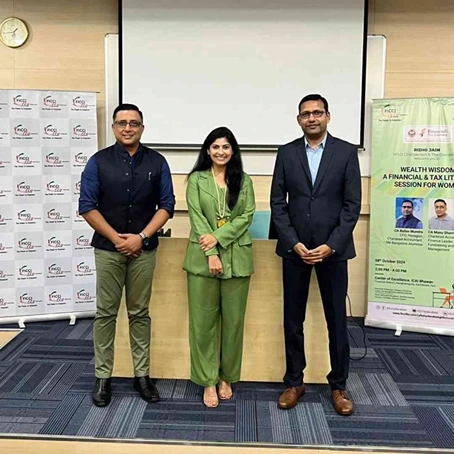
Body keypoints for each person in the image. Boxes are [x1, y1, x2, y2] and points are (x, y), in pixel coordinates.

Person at [270, 94, 361, 416]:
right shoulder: (286, 153)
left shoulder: (346, 152)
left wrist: (332, 244)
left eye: (317, 113)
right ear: (299, 119)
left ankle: (339, 385)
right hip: (295, 250)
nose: (312, 118)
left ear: (328, 116)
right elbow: (278, 203)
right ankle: (294, 382)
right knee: (293, 320)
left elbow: (352, 205)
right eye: (306, 114)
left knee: (336, 320)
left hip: (332, 251)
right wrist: (293, 242)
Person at [79, 103, 175, 407]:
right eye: (122, 123)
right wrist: (117, 239)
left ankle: (142, 376)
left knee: (139, 313)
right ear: (113, 127)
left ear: (142, 128)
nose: (128, 128)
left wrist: (140, 238)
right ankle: (102, 377)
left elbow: (167, 205)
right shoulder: (98, 162)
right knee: (106, 313)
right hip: (108, 250)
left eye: (134, 123)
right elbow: (87, 206)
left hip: (143, 251)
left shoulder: (157, 162)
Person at [182, 126, 255, 408]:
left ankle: (227, 376)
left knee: (233, 324)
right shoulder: (196, 179)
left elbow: (246, 216)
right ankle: (207, 380)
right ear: (207, 150)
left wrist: (218, 237)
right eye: (215, 147)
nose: (220, 152)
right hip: (202, 259)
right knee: (203, 325)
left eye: (225, 147)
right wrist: (212, 250)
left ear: (233, 151)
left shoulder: (244, 181)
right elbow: (197, 217)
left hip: (238, 260)